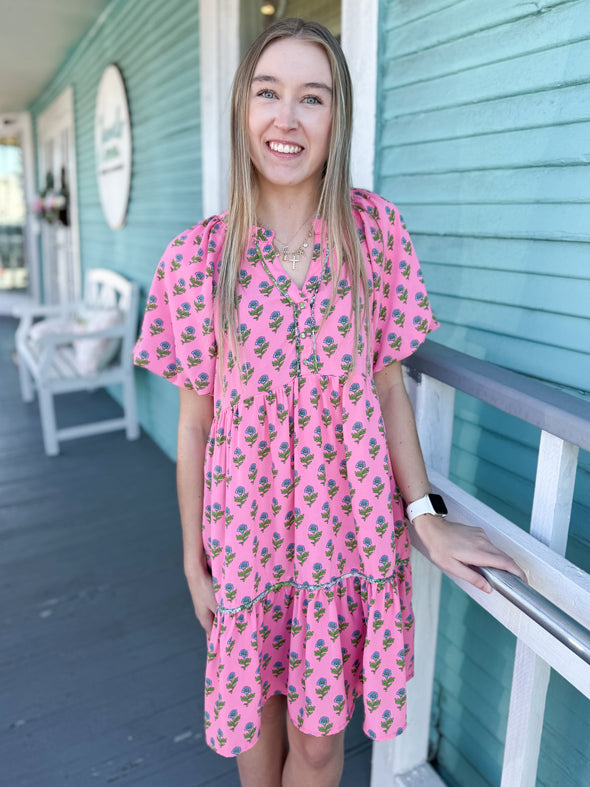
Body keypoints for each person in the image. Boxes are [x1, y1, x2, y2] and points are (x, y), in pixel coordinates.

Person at [133, 17, 525, 787]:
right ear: (244, 107)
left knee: (319, 744)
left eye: (312, 98)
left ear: (336, 118)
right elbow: (193, 424)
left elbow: (388, 392)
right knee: (259, 723)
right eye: (269, 92)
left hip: (344, 539)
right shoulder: (194, 259)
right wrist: (193, 562)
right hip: (244, 540)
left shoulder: (374, 234)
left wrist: (425, 518)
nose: (287, 118)